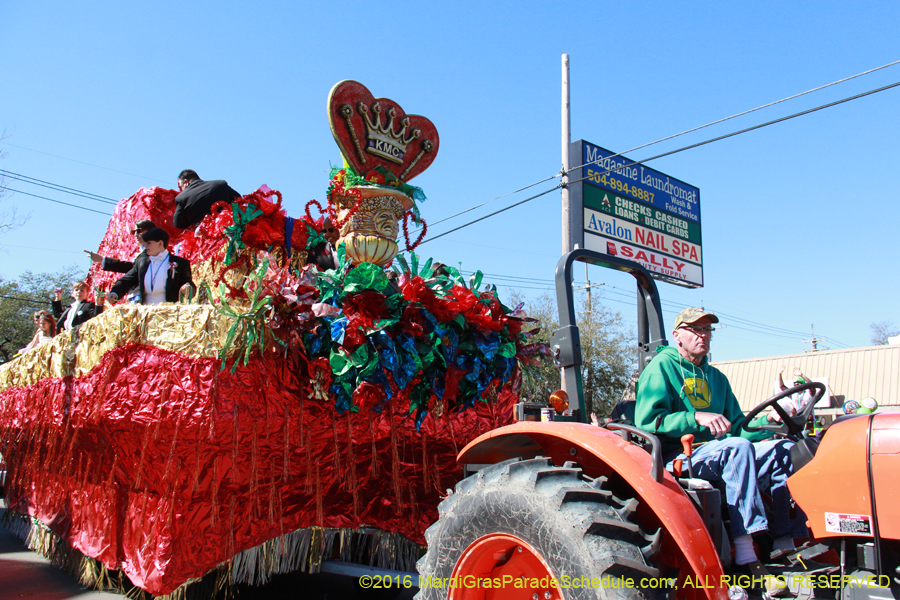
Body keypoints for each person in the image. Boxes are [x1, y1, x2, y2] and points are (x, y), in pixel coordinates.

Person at [635, 307, 806, 591]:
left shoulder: (717, 378)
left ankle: (787, 542)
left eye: (707, 330)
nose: (703, 335)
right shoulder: (661, 367)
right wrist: (694, 417)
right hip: (678, 455)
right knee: (736, 449)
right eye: (695, 329)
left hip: (721, 450)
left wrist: (769, 421)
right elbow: (649, 421)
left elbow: (738, 427)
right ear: (677, 335)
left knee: (783, 450)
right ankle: (746, 551)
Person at [107, 228, 195, 304]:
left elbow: (188, 285)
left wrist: (188, 289)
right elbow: (127, 280)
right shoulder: (142, 262)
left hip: (168, 316)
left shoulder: (181, 263)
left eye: (149, 243)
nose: (145, 246)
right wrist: (115, 292)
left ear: (160, 244)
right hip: (146, 315)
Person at [172, 169, 240, 229]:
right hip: (228, 231)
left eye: (180, 187)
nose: (180, 190)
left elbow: (178, 224)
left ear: (186, 182)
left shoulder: (181, 197)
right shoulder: (220, 184)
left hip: (203, 238)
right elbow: (239, 200)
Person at [83, 219, 156, 274]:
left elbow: (131, 268)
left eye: (139, 231)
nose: (136, 234)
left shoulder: (156, 251)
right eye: (134, 232)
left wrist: (103, 260)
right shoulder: (142, 252)